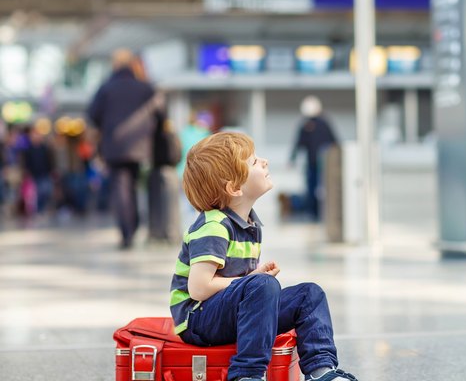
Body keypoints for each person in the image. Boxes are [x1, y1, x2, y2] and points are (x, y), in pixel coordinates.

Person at [172, 132, 357, 381]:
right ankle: (247, 374)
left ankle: (321, 370)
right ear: (234, 188)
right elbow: (199, 287)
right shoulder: (213, 226)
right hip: (199, 319)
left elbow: (237, 286)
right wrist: (253, 282)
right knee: (263, 285)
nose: (264, 162)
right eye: (254, 162)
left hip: (228, 311)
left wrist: (252, 279)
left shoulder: (249, 224)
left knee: (309, 295)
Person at [87, 48, 163, 248]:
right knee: (135, 185)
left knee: (121, 188)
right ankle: (135, 224)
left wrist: (107, 125)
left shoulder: (106, 88)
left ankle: (127, 231)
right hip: (140, 146)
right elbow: (161, 112)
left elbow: (93, 113)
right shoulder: (144, 87)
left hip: (114, 146)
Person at [288, 96, 338, 221]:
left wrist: (292, 159)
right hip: (315, 163)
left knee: (320, 189)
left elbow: (333, 142)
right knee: (314, 188)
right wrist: (292, 159)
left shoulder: (321, 123)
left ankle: (318, 213)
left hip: (323, 164)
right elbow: (299, 143)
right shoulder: (309, 125)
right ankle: (315, 213)